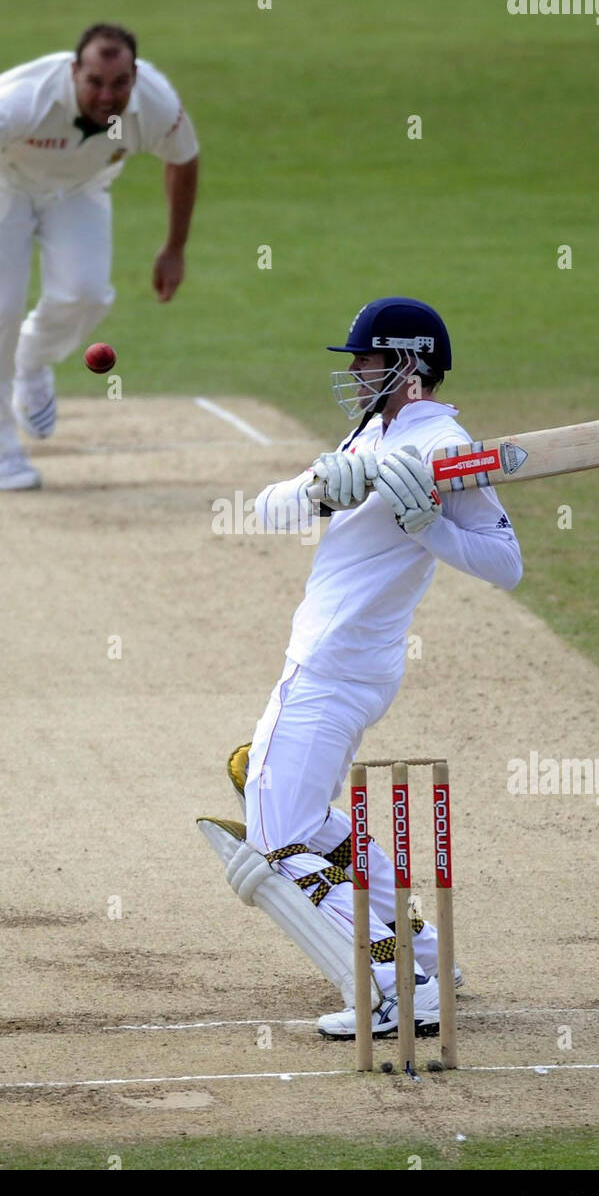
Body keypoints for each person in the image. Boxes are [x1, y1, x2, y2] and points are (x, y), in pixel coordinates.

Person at [228, 297, 523, 1040]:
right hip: (334, 664)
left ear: (406, 365)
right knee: (313, 832)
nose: (353, 371)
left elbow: (505, 562)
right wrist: (316, 490)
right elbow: (266, 511)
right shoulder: (374, 431)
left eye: (364, 359)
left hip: (334, 668)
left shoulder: (441, 448)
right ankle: (424, 955)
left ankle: (403, 984)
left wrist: (429, 529)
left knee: (279, 843)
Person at [0, 23, 199, 489]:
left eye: (120, 83)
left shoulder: (155, 104)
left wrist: (174, 249)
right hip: (0, 186)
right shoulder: (23, 99)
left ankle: (31, 360)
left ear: (135, 75)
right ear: (73, 73)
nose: (108, 96)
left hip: (79, 190)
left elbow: (184, 159)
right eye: (95, 82)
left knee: (86, 295)